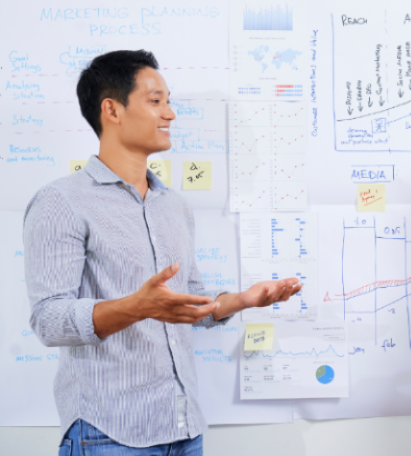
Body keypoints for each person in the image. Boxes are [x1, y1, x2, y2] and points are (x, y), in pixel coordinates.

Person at [24, 50, 302, 455]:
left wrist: (241, 301)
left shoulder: (173, 206)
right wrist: (138, 306)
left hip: (183, 428)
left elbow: (186, 303)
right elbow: (49, 320)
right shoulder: (61, 202)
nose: (169, 114)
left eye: (168, 101)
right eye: (156, 101)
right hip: (109, 432)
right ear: (112, 110)